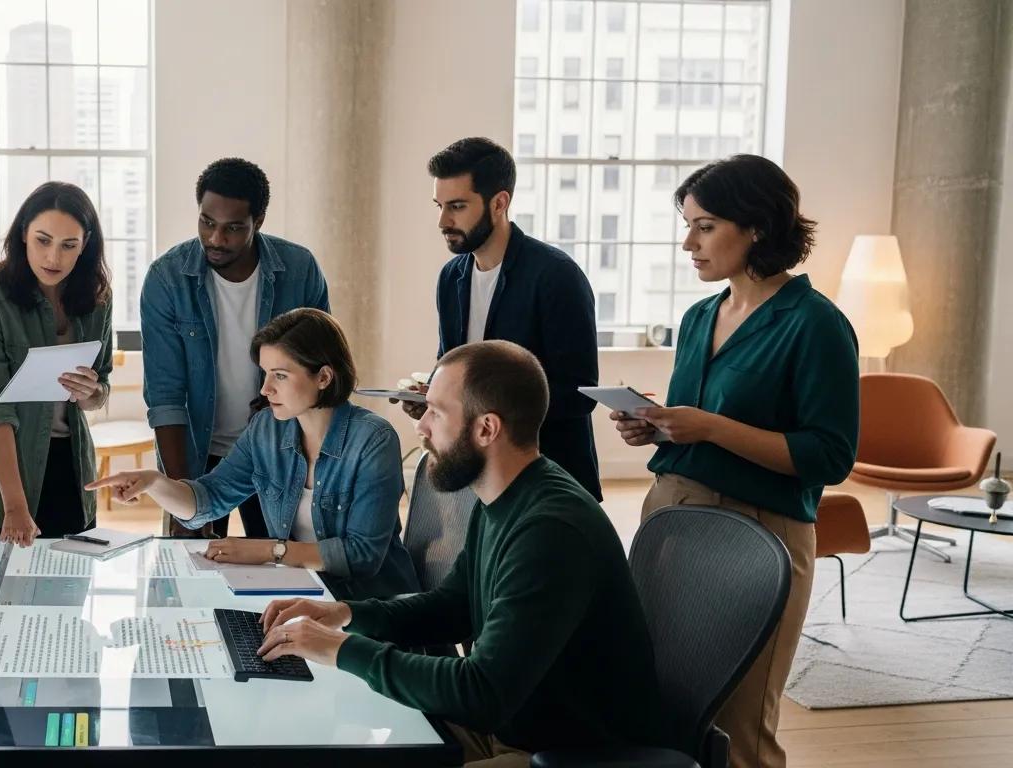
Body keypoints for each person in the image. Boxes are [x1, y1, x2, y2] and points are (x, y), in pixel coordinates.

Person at [260, 341, 661, 765]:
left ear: (487, 429)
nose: (421, 427)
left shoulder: (551, 530)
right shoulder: (504, 496)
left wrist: (340, 649)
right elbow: (454, 606)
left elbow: (481, 692)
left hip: (569, 752)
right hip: (511, 726)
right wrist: (346, 615)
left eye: (436, 411)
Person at [610, 154, 858, 768]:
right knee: (663, 700)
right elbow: (697, 423)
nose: (687, 242)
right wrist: (657, 429)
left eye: (706, 226)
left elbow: (828, 456)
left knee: (741, 726)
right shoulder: (698, 318)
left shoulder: (816, 325)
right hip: (671, 517)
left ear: (756, 228)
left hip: (759, 535)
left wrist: (711, 428)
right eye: (688, 224)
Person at [89, 309, 418, 600]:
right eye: (265, 373)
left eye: (280, 375)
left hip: (370, 608)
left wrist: (268, 551)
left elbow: (362, 556)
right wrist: (154, 482)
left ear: (323, 377)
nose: (265, 389)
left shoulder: (374, 439)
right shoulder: (267, 430)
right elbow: (209, 498)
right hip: (303, 594)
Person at [397, 137, 603, 501]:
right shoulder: (451, 278)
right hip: (476, 476)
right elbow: (454, 363)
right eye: (440, 206)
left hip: (548, 481)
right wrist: (434, 397)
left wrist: (477, 408)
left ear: (499, 203)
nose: (443, 220)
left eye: (457, 206)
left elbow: (579, 394)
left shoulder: (556, 275)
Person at [141, 158, 330, 539]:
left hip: (280, 450)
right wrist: (183, 497)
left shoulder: (299, 270)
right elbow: (166, 397)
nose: (215, 238)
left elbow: (320, 373)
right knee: (191, 578)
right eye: (207, 222)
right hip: (195, 452)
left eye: (232, 228)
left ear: (257, 222)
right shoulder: (167, 279)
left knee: (282, 567)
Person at [0, 181, 113, 546]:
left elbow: (99, 389)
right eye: (43, 241)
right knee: (11, 586)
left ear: (85, 244)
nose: (53, 258)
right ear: (23, 233)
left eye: (68, 245)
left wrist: (91, 393)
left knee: (73, 577)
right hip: (8, 462)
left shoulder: (97, 297)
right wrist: (14, 506)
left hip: (70, 458)